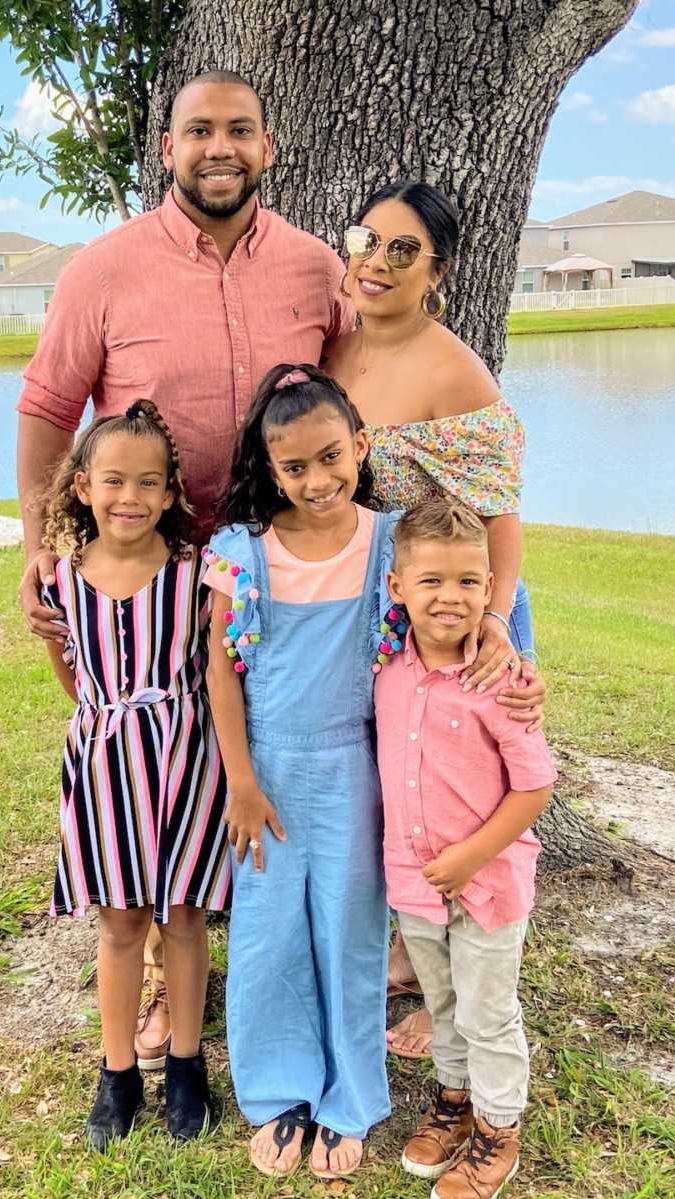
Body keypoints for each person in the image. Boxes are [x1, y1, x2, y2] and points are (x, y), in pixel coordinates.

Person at [16, 69, 352, 1061]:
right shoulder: (104, 268)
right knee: (163, 766)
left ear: (268, 146)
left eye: (239, 130)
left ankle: (312, 952)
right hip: (154, 572)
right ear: (168, 149)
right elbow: (46, 407)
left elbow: (347, 401)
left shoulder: (313, 268)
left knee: (272, 761)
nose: (220, 146)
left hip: (285, 571)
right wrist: (43, 544)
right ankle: (166, 983)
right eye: (198, 130)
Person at [323, 179, 546, 1058]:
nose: (376, 261)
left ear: (438, 271)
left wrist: (494, 622)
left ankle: (462, 994)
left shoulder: (454, 367)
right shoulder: (333, 352)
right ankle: (416, 962)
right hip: (389, 623)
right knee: (409, 788)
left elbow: (501, 514)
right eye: (366, 239)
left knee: (474, 806)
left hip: (467, 617)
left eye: (402, 250)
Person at [204, 364, 396, 1180]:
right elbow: (220, 669)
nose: (316, 480)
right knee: (269, 931)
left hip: (356, 769)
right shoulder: (243, 553)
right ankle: (280, 1089)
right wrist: (240, 780)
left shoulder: (389, 542)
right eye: (294, 466)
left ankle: (349, 1096)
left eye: (329, 457)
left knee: (350, 934)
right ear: (269, 467)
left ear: (358, 444)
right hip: (268, 775)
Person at [39, 400, 230, 1148]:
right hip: (105, 764)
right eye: (114, 480)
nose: (132, 498)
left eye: (150, 483)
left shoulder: (195, 576)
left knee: (183, 914)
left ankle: (186, 1062)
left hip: (186, 759)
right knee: (120, 921)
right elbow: (70, 676)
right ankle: (117, 1069)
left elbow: (214, 674)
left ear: (172, 491)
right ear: (82, 485)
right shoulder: (59, 580)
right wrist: (113, 721)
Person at [374, 498, 556, 1199]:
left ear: (489, 591)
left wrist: (471, 857)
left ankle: (498, 1128)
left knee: (487, 1010)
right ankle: (452, 1100)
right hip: (416, 882)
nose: (450, 597)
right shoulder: (388, 672)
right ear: (397, 588)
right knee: (444, 1002)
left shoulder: (499, 678)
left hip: (487, 886)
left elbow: (534, 787)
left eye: (467, 582)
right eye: (431, 581)